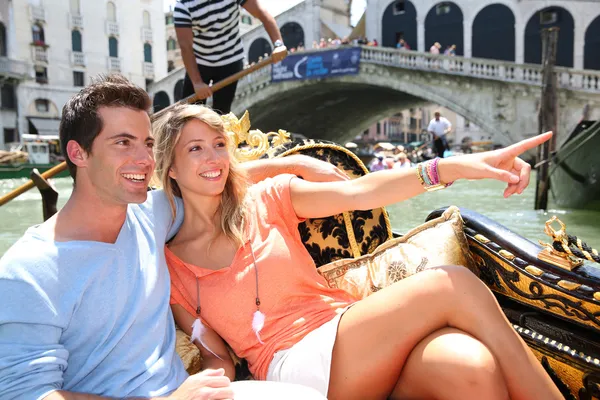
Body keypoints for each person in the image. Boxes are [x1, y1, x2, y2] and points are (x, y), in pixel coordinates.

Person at [153, 103, 562, 400]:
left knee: (468, 366)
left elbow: (361, 191)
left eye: (219, 144)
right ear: (170, 167)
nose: (213, 158)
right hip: (291, 370)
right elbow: (216, 358)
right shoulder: (172, 268)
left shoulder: (268, 200)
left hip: (348, 335)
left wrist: (452, 167)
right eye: (195, 149)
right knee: (451, 285)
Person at [0, 75, 343, 399]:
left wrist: (296, 164)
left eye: (147, 144)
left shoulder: (153, 214)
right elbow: (27, 394)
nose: (144, 160)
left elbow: (212, 177)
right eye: (123, 143)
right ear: (78, 154)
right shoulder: (26, 271)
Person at [174, 0, 287, 114]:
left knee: (222, 113)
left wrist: (279, 45)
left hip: (231, 60)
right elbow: (185, 47)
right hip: (200, 63)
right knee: (188, 114)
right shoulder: (183, 6)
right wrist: (197, 82)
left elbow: (261, 13)